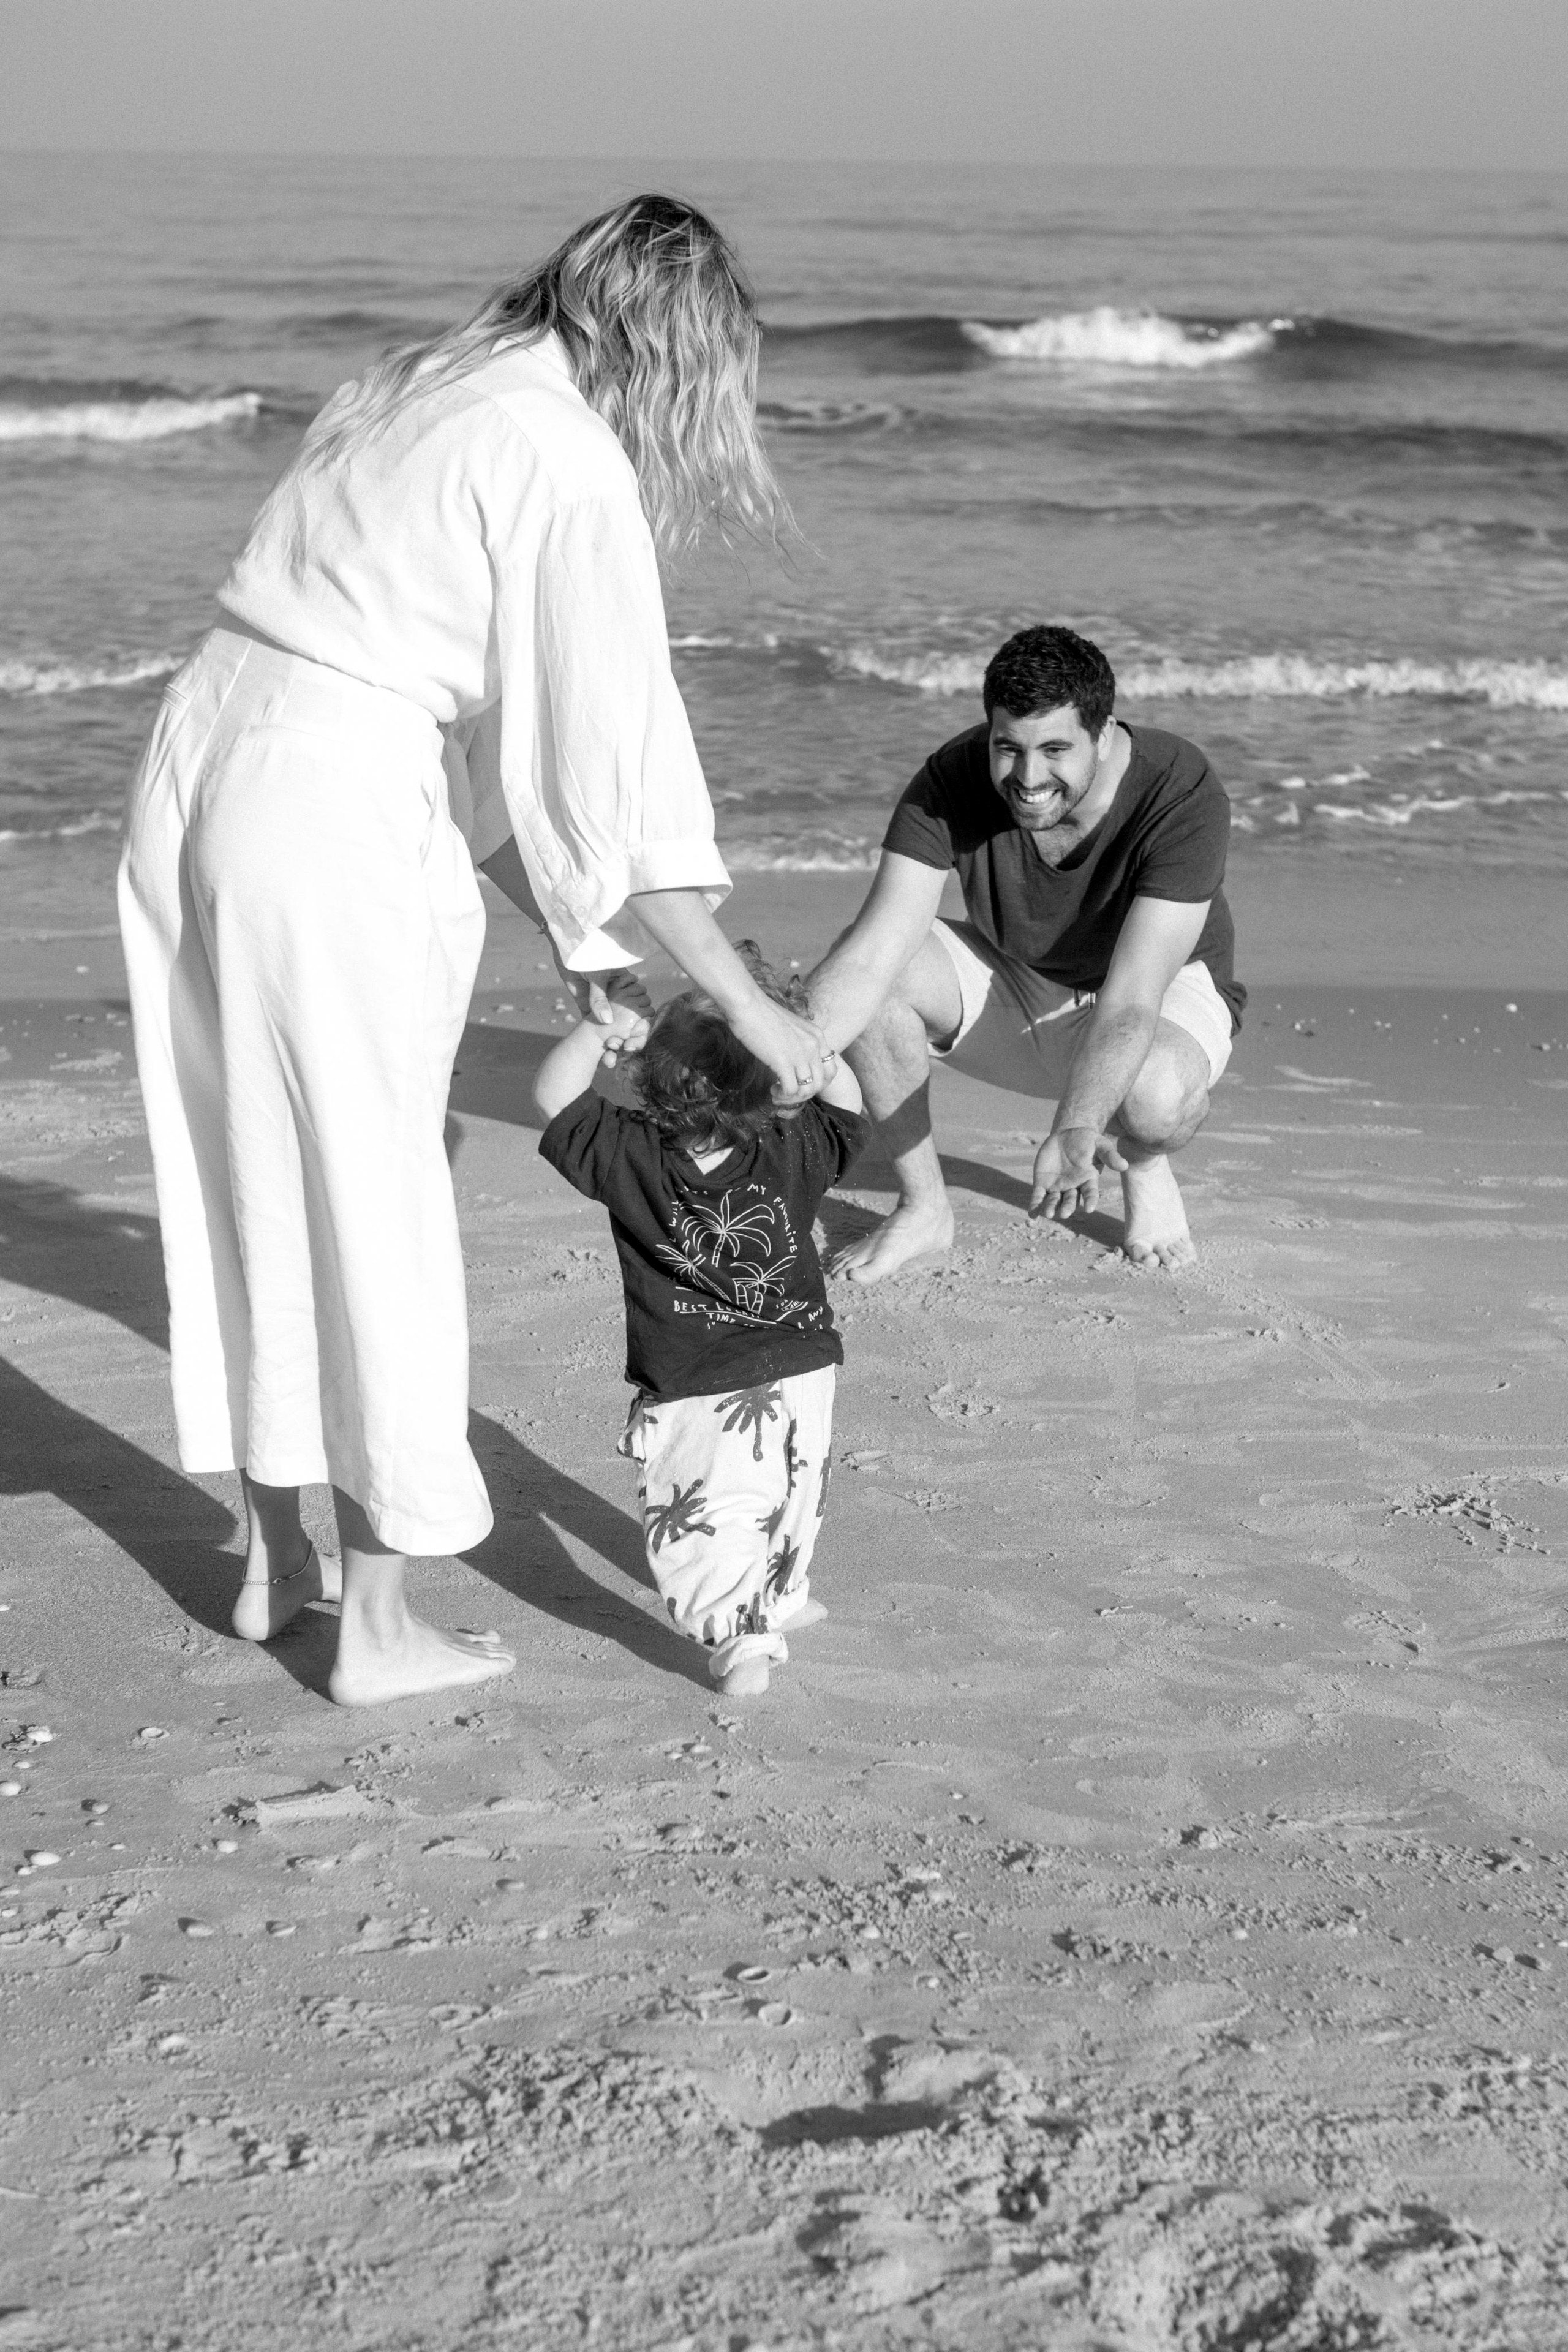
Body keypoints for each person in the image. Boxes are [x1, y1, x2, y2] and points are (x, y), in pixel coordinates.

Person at [117, 196, 830, 1707]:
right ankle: (373, 1628)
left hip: (206, 754)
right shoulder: (568, 459)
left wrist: (578, 953)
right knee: (378, 1184)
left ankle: (274, 1560)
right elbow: (608, 782)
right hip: (330, 790)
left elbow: (495, 752)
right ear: (676, 349)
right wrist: (744, 1011)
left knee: (249, 1167)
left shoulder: (410, 388)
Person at [808, 625, 1243, 1277]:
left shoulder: (1178, 791)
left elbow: (1129, 1001)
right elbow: (873, 951)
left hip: (1157, 991)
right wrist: (787, 1065)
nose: (1029, 777)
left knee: (1152, 1099)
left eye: (1056, 749)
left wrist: (1076, 1127)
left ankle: (1143, 1163)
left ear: (1103, 734)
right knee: (872, 978)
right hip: (1018, 978)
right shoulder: (951, 780)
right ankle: (925, 1207)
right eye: (1007, 748)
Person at [533, 946, 869, 1697]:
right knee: (793, 1489)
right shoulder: (795, 1143)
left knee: (712, 1508)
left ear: (648, 1080)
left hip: (696, 1375)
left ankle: (741, 1635)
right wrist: (807, 1047)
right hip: (804, 1359)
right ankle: (778, 1597)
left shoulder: (631, 1155)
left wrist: (596, 1033)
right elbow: (845, 1105)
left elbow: (553, 1098)